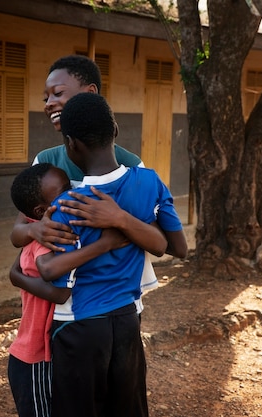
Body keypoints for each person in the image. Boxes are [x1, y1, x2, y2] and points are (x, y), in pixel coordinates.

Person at [37, 92, 183, 417]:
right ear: (115, 129)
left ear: (70, 145)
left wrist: (25, 271)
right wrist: (125, 221)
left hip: (78, 325)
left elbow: (57, 284)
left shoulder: (68, 206)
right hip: (128, 319)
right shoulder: (150, 182)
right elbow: (177, 247)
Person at [10, 54, 187, 312]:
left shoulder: (131, 167)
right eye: (45, 98)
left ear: (90, 92)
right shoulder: (46, 163)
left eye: (58, 93)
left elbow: (165, 242)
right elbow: (17, 232)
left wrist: (118, 219)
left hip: (119, 300)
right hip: (64, 307)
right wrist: (33, 231)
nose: (49, 103)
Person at [7, 162, 133, 417]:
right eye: (65, 190)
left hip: (45, 350)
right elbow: (59, 292)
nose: (74, 191)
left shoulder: (40, 232)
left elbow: (17, 267)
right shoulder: (49, 237)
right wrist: (104, 245)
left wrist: (15, 276)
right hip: (36, 356)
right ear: (42, 210)